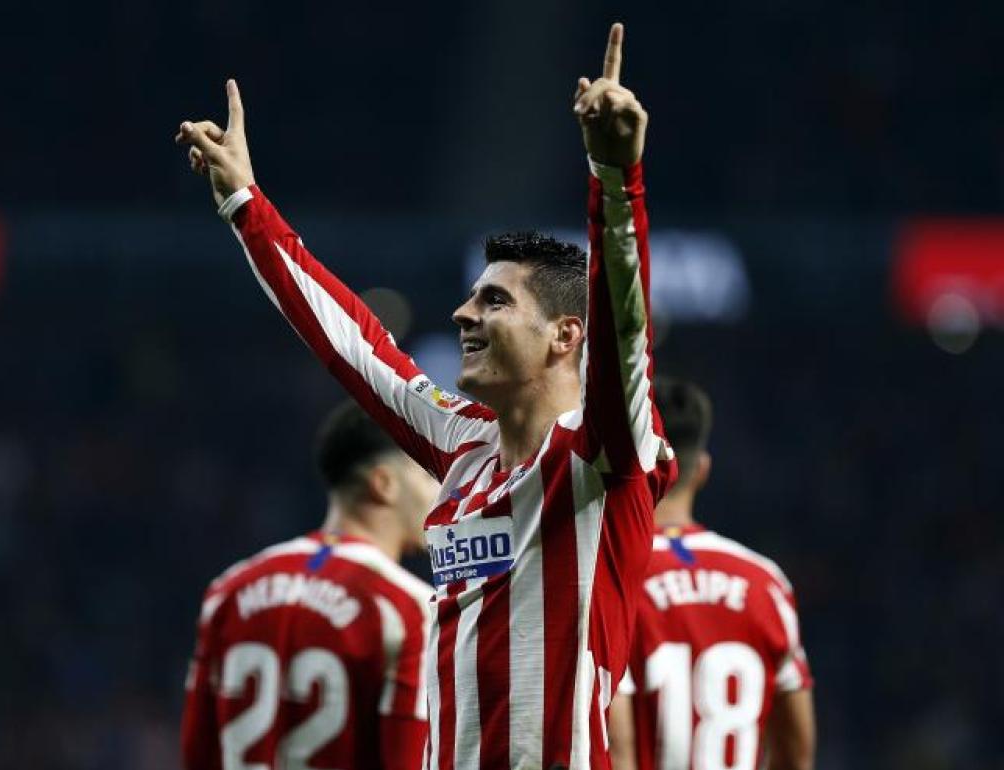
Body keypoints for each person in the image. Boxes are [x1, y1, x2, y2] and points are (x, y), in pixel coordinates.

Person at [176, 22, 676, 770]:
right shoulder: (462, 445)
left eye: (496, 303)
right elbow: (353, 346)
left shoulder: (603, 453)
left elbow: (626, 333)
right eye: (471, 299)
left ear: (566, 336)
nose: (463, 314)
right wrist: (248, 207)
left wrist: (615, 180)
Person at [181, 402, 438, 770]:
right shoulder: (406, 608)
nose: (442, 491)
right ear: (384, 484)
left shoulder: (229, 590)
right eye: (428, 475)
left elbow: (197, 753)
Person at [606, 378, 815, 770]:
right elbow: (797, 756)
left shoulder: (613, 579)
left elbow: (618, 750)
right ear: (701, 470)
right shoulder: (767, 583)